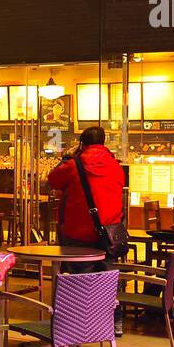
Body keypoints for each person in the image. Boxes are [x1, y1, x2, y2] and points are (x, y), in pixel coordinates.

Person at [47, 126, 126, 330]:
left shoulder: (74, 165)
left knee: (79, 279)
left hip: (78, 231)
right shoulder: (116, 166)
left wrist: (67, 158)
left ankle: (78, 326)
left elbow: (53, 179)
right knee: (107, 277)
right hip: (108, 232)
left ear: (82, 143)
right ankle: (114, 323)